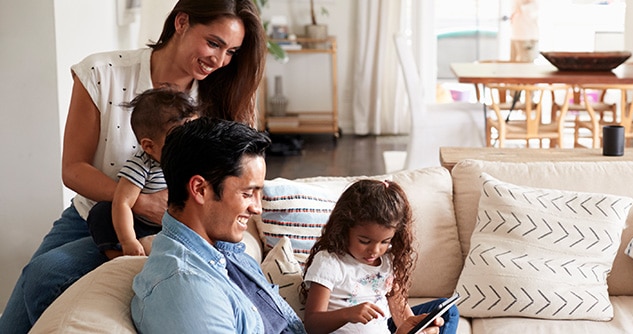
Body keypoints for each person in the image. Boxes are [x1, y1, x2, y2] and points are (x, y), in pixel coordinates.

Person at [0, 1, 266, 332]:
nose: (220, 60)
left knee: (47, 274)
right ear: (181, 22)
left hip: (168, 226)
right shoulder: (102, 73)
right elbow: (73, 168)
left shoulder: (216, 100)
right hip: (94, 211)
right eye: (213, 43)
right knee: (36, 275)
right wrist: (137, 200)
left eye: (231, 52)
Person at [132, 117, 444, 334]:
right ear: (200, 189)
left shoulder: (224, 249)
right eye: (247, 192)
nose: (256, 207)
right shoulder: (186, 288)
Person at [300, 179, 459, 334]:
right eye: (364, 241)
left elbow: (401, 313)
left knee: (447, 311)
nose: (375, 250)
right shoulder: (330, 262)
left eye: (385, 242)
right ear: (344, 228)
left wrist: (414, 328)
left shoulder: (387, 261)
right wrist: (348, 314)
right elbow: (312, 324)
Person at [86, 87, 199, 260]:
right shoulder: (142, 165)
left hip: (174, 225)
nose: (189, 146)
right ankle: (118, 255)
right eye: (178, 140)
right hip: (140, 226)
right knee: (102, 211)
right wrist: (128, 240)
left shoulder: (194, 160)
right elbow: (122, 202)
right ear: (149, 146)